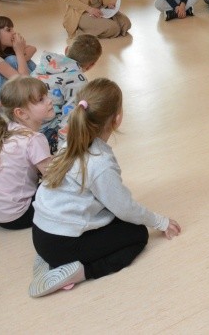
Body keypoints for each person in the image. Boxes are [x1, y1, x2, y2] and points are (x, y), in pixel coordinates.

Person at [30, 78, 181, 298]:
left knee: (114, 219)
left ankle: (53, 259)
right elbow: (125, 208)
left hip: (40, 234)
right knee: (137, 234)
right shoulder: (99, 162)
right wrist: (160, 221)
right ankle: (81, 271)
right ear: (117, 119)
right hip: (60, 244)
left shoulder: (71, 141)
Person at [0, 77, 54, 229]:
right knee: (66, 192)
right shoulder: (34, 139)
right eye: (41, 99)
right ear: (21, 113)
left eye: (46, 96)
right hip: (17, 216)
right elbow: (53, 176)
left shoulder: (9, 128)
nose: (50, 101)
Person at [30, 34, 102, 153]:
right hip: (43, 128)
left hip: (25, 118)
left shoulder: (47, 61)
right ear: (91, 65)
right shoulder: (79, 81)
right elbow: (71, 114)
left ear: (66, 49)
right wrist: (62, 147)